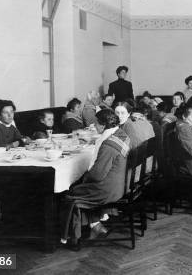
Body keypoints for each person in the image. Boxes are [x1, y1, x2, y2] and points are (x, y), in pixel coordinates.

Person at [60, 109, 130, 245]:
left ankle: (73, 237)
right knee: (80, 184)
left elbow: (97, 175)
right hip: (119, 184)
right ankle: (95, 225)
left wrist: (83, 179)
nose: (94, 127)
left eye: (96, 124)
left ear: (103, 126)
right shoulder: (121, 134)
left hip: (107, 190)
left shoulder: (108, 144)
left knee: (70, 192)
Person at [115, 102, 155, 170]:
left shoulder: (128, 125)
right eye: (117, 113)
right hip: (146, 161)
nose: (119, 116)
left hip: (134, 165)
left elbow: (130, 149)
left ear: (129, 113)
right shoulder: (136, 120)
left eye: (122, 113)